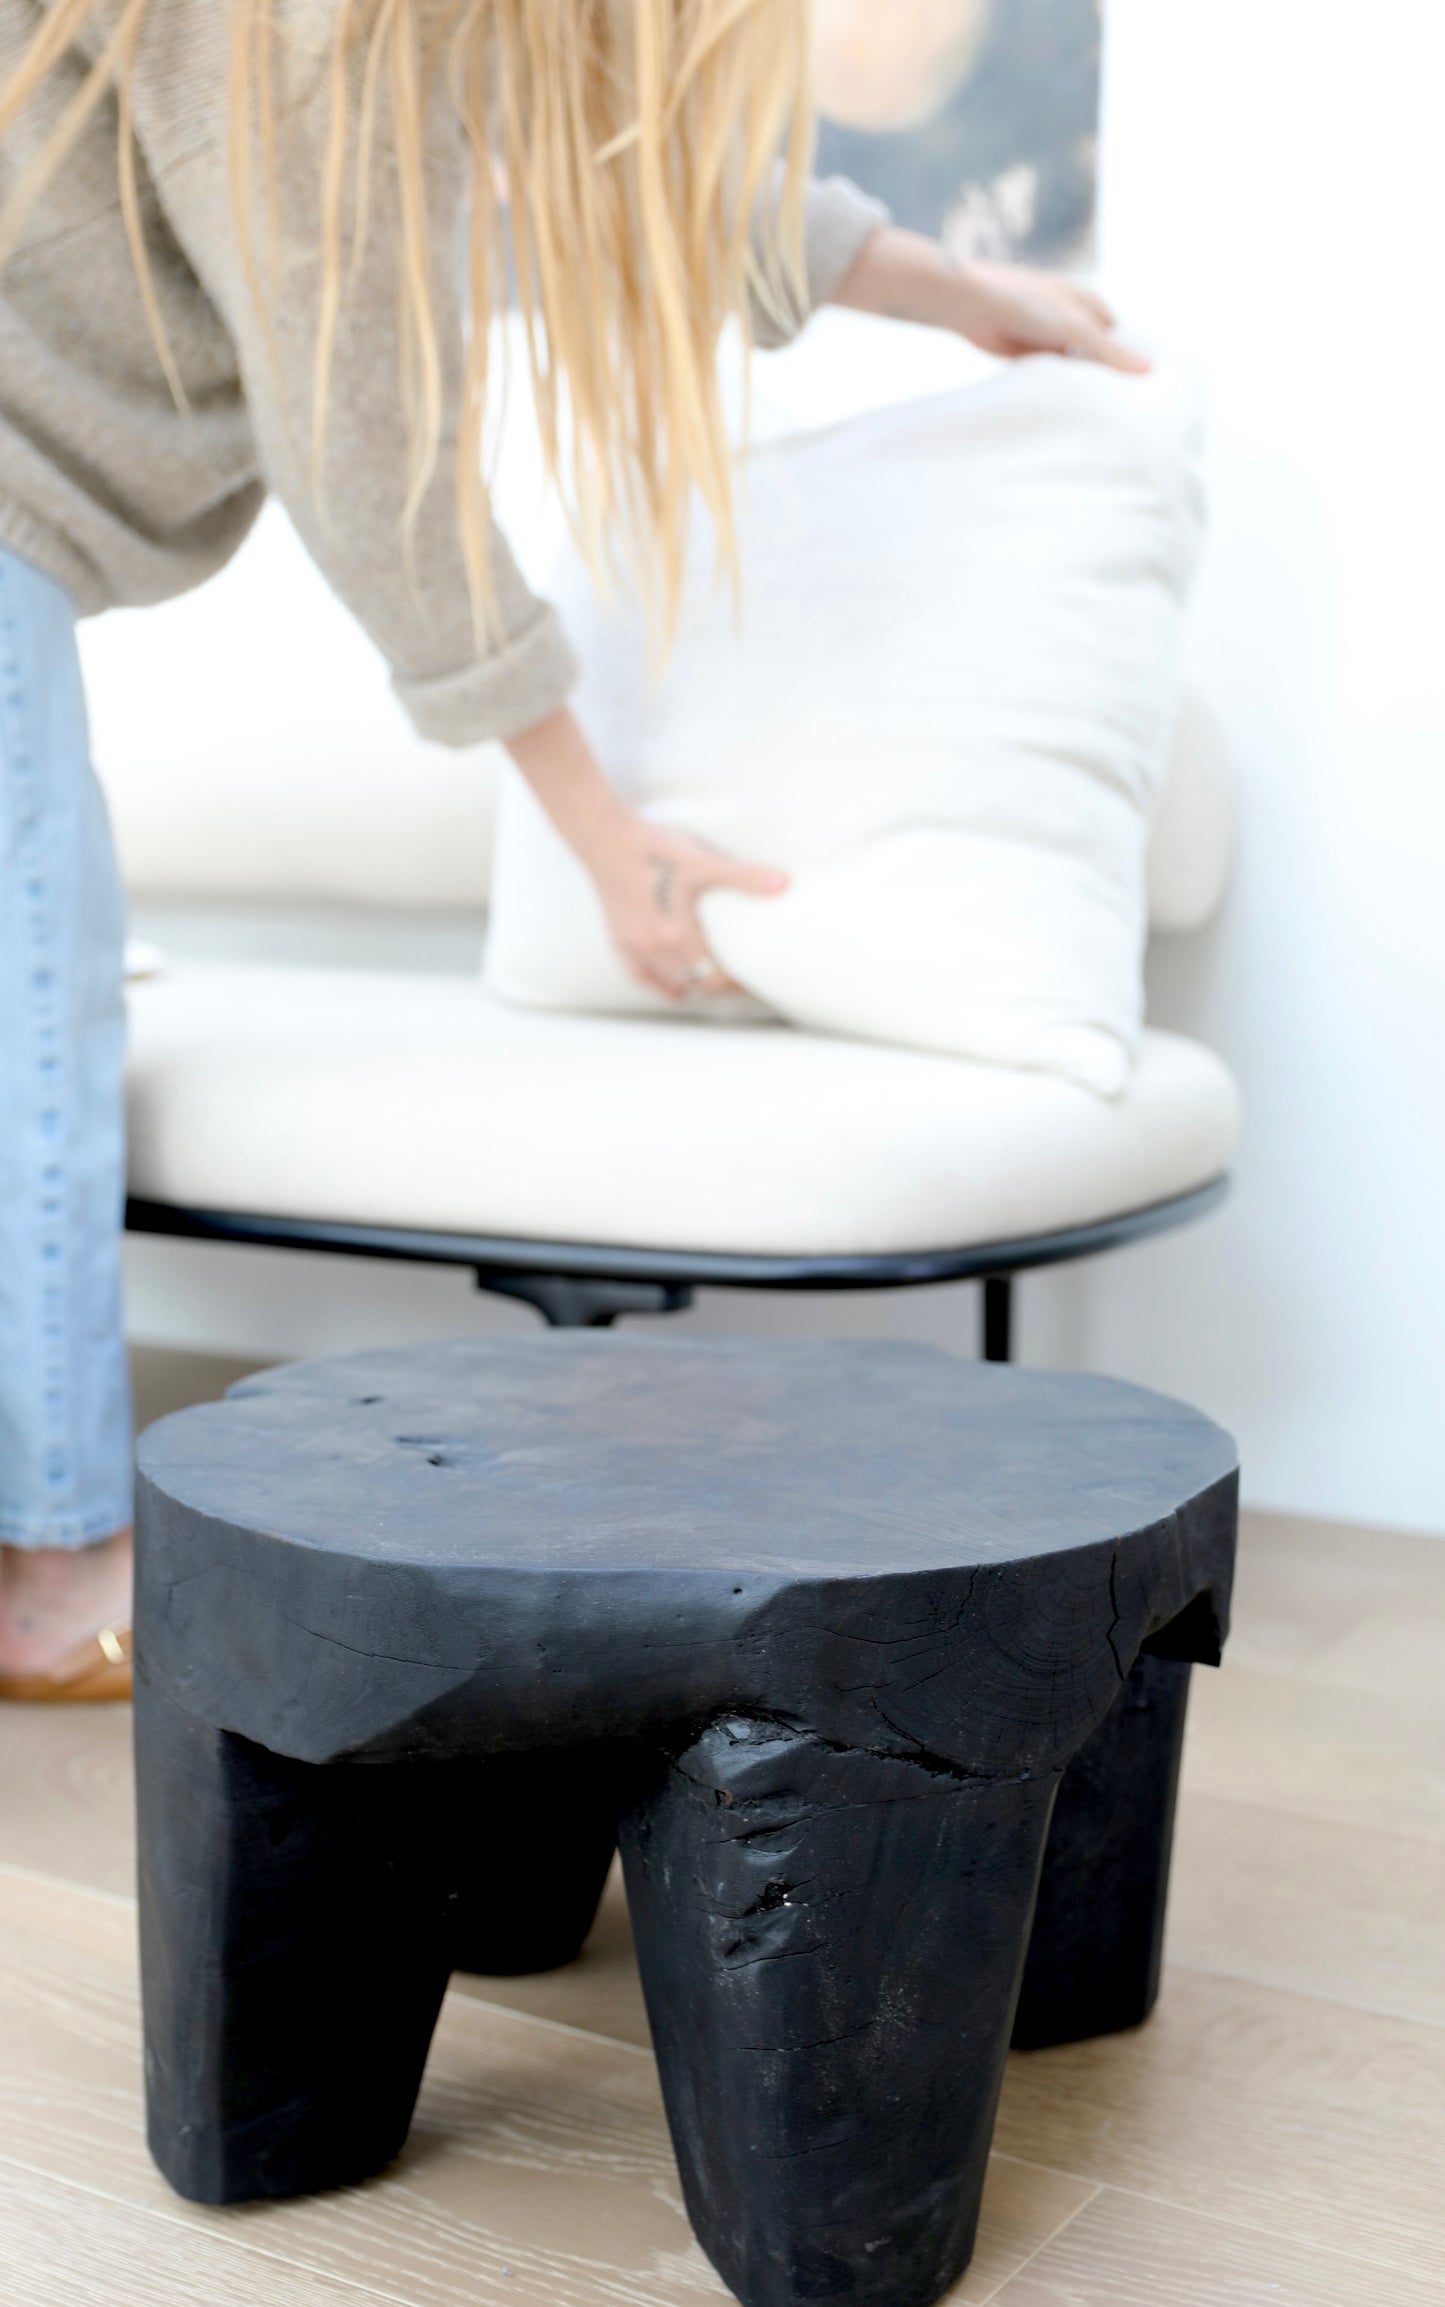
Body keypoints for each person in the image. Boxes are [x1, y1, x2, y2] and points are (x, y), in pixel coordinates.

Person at [0, 0, 1142, 1698]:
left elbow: (630, 195)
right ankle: (61, 1557)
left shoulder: (421, 55)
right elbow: (365, 436)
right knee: (38, 1014)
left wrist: (964, 295)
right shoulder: (315, 31)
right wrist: (603, 831)